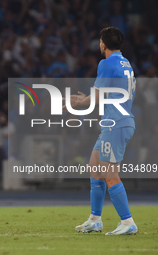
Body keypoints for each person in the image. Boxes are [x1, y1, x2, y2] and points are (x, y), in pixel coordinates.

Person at [64, 27, 138, 235]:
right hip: (118, 121)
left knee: (109, 173)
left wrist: (79, 103)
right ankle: (95, 219)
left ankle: (127, 222)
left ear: (103, 44)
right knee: (94, 166)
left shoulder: (106, 63)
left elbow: (95, 98)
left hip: (116, 123)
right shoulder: (126, 64)